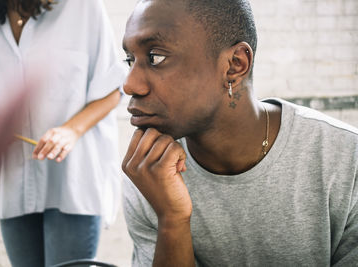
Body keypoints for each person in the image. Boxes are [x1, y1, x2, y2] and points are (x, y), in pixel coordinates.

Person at [121, 0, 358, 266]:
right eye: (130, 60)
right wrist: (172, 219)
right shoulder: (149, 172)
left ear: (235, 65)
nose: (129, 84)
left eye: (156, 57)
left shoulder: (345, 160)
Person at [0, 0, 127, 266]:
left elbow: (112, 89)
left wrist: (70, 132)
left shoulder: (83, 8)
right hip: (13, 182)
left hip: (73, 180)